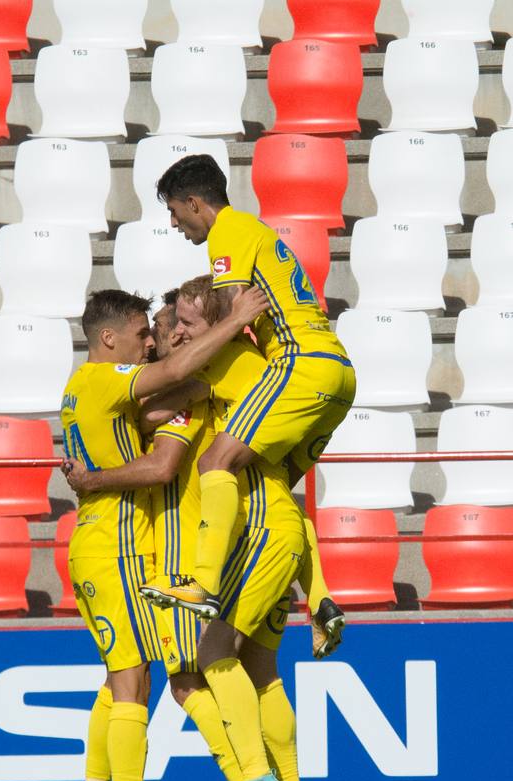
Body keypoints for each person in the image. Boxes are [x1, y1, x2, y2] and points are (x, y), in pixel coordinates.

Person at [64, 290, 318, 781]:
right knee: (172, 675)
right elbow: (162, 407)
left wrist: (198, 377)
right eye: (152, 330)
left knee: (181, 671)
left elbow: (163, 459)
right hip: (213, 539)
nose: (156, 340)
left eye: (172, 327)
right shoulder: (140, 383)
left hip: (187, 549)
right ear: (112, 338)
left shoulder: (172, 392)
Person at [140, 156, 355, 649]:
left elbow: (234, 307)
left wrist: (212, 339)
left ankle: (204, 584)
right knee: (277, 488)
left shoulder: (228, 231)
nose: (174, 223)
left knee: (217, 460)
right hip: (337, 374)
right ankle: (321, 599)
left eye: (175, 211)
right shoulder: (256, 233)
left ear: (195, 203)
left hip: (299, 362)